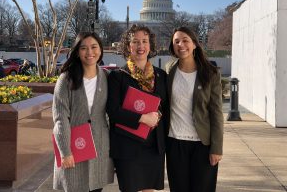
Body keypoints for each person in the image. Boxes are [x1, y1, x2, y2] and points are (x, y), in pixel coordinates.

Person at [106, 24, 169, 192]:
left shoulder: (161, 75)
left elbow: (166, 106)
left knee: (149, 189)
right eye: (135, 42)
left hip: (153, 145)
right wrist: (142, 118)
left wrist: (158, 116)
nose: (141, 46)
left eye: (144, 41)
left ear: (150, 45)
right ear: (128, 46)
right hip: (127, 145)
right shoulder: (117, 76)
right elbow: (113, 111)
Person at [52, 32, 114, 192]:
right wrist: (65, 151)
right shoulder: (66, 79)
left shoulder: (106, 77)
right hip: (73, 146)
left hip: (99, 147)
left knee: (96, 188)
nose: (90, 52)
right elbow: (60, 118)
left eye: (94, 47)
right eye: (84, 48)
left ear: (100, 50)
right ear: (77, 52)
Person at [166, 26, 224, 192]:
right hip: (175, 143)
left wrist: (217, 148)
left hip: (202, 144)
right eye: (176, 41)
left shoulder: (210, 73)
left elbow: (216, 113)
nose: (181, 44)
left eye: (185, 40)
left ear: (195, 44)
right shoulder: (169, 69)